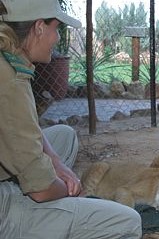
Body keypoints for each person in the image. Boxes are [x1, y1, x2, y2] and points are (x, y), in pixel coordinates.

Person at [0, 0, 142, 238]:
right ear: (38, 28)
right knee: (128, 222)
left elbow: (26, 130)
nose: (56, 38)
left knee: (64, 136)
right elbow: (42, 191)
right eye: (56, 28)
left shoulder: (9, 60)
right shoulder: (10, 81)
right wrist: (72, 191)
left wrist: (58, 165)